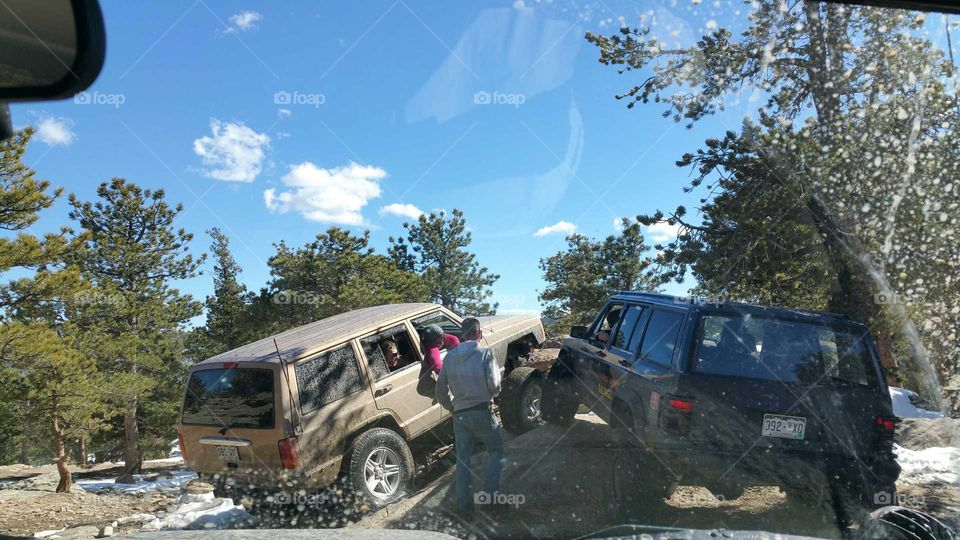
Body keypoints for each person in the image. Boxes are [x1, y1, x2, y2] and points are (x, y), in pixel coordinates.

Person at [435, 317, 503, 519]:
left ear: (461, 335)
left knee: (463, 460)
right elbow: (495, 384)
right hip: (482, 410)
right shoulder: (484, 353)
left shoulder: (449, 357)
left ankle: (464, 508)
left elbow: (440, 390)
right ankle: (490, 501)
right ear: (479, 333)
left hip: (460, 415)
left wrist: (451, 407)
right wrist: (491, 394)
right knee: (496, 452)